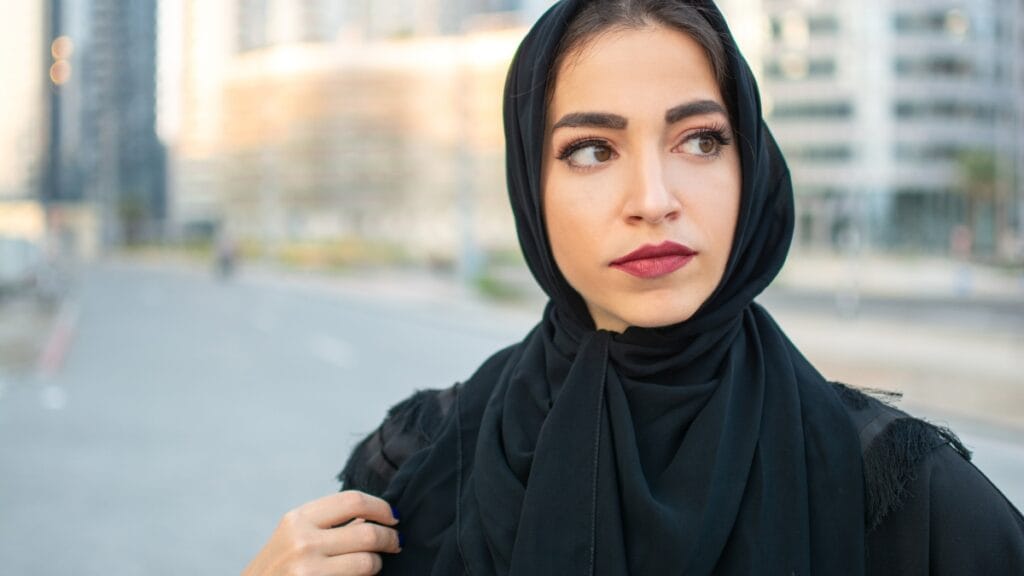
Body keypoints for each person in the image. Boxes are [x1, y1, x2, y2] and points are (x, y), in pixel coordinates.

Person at [243, 1, 1024, 574]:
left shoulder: (899, 496)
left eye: (700, 140)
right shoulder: (417, 467)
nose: (653, 197)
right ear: (530, 186)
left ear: (750, 164)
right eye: (591, 150)